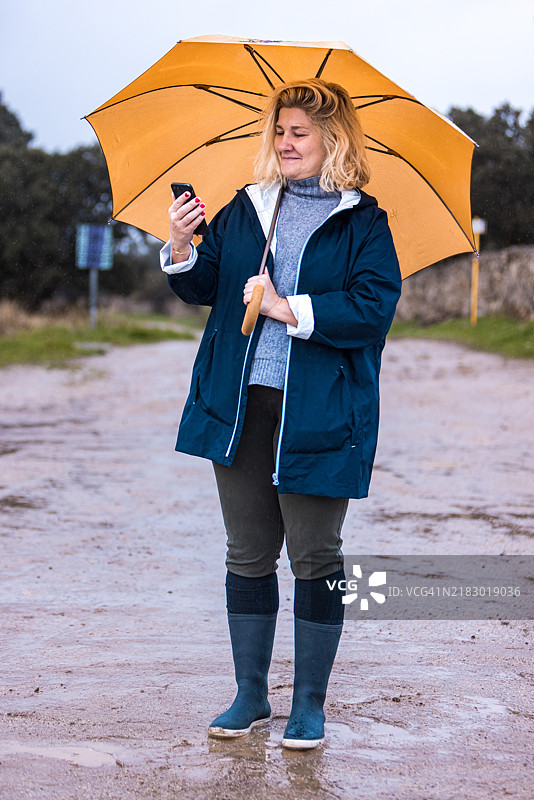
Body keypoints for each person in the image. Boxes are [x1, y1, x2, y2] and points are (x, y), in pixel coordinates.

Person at [160, 78, 402, 749]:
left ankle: (310, 705)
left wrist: (287, 308)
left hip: (321, 412)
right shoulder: (247, 207)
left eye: (300, 131)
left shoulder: (365, 223)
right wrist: (182, 246)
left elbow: (373, 308)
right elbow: (203, 286)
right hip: (241, 406)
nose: (286, 142)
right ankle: (250, 693)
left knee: (317, 557)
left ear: (333, 138)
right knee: (247, 553)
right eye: (280, 131)